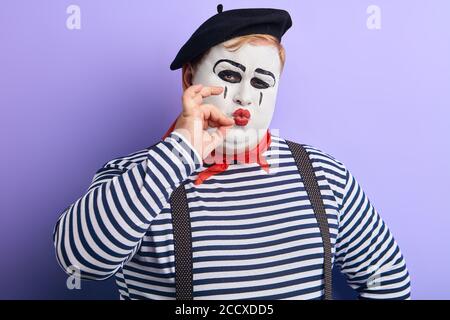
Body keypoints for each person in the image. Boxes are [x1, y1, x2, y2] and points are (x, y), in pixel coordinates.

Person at [52, 5, 411, 300]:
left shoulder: (323, 174)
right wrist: (177, 153)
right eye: (229, 75)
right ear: (189, 78)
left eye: (260, 82)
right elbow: (79, 265)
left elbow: (389, 282)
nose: (243, 96)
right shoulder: (134, 175)